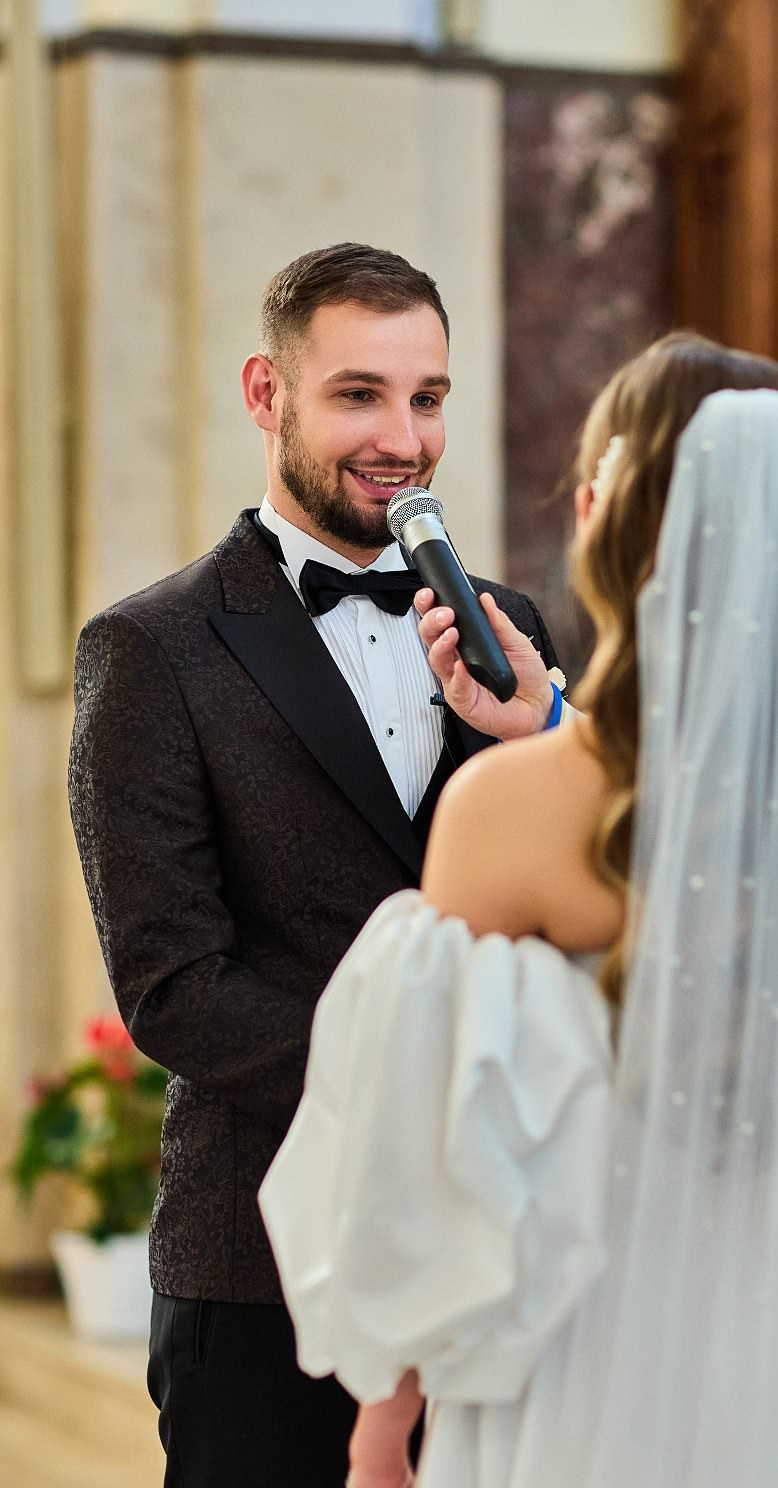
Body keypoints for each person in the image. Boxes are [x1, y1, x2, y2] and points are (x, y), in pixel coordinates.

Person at [260, 333, 778, 1488]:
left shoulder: (510, 806)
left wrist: (386, 1416)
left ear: (598, 510)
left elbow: (424, 1163)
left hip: (599, 1346)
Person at [67, 243, 562, 1488]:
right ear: (264, 393)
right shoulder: (152, 648)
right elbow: (173, 985)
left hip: (503, 1259)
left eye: (429, 396)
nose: (402, 436)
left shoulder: (518, 636)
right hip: (263, 1263)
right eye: (359, 394)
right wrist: (411, 1098)